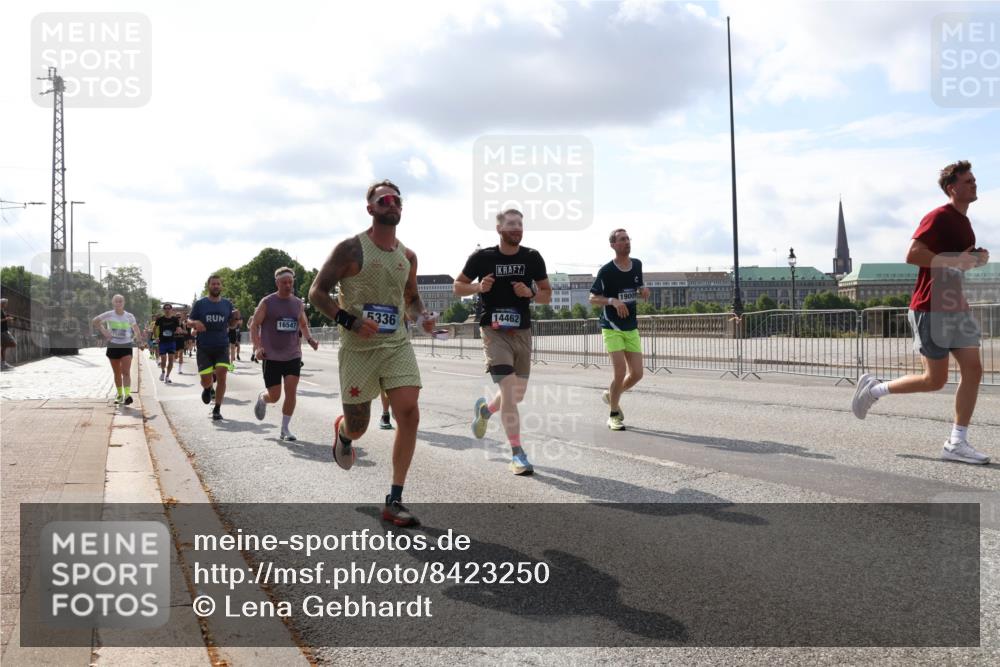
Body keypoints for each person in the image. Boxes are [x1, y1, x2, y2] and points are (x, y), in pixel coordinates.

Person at [309, 179, 437, 527]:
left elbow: (411, 299)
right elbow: (317, 292)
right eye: (384, 200)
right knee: (358, 427)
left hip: (396, 344)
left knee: (409, 413)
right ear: (370, 209)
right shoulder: (351, 249)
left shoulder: (407, 257)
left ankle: (394, 499)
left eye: (396, 200)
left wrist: (422, 317)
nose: (391, 204)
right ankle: (344, 433)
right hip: (358, 349)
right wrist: (349, 321)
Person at [853, 160, 991, 465]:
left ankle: (956, 442)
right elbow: (913, 254)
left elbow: (954, 264)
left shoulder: (965, 223)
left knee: (973, 370)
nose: (974, 184)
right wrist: (956, 260)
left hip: (955, 305)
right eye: (968, 181)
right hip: (931, 306)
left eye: (974, 180)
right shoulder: (939, 216)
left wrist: (974, 260)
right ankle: (875, 389)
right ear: (952, 188)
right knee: (934, 380)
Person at [454, 209, 552, 475]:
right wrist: (477, 287)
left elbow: (547, 295)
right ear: (499, 229)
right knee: (509, 391)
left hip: (522, 331)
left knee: (516, 395)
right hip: (493, 331)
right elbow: (457, 286)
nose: (517, 228)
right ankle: (518, 454)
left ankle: (486, 411)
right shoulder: (482, 257)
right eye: (511, 224)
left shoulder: (532, 257)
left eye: (520, 224)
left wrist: (530, 292)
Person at [589, 229, 651, 430]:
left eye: (628, 239)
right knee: (620, 372)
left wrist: (643, 290)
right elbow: (592, 298)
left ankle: (611, 395)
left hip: (631, 326)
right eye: (622, 239)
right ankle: (613, 415)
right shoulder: (606, 271)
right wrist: (612, 301)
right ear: (613, 245)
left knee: (637, 374)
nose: (627, 242)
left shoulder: (637, 265)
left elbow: (638, 286)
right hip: (611, 326)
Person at [251, 266, 319, 441]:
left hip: (292, 354)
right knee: (275, 396)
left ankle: (285, 429)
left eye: (290, 282)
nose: (288, 285)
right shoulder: (267, 302)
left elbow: (303, 324)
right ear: (277, 283)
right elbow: (254, 325)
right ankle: (263, 398)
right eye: (284, 283)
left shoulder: (297, 303)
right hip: (271, 355)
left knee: (291, 391)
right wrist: (257, 347)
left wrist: (310, 340)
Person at [187, 275, 241, 421]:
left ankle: (217, 409)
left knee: (222, 375)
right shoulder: (200, 303)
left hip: (221, 345)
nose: (216, 286)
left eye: (218, 284)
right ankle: (207, 388)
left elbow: (231, 325)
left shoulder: (227, 304)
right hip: (204, 346)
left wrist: (236, 318)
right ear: (208, 286)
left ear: (221, 286)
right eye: (213, 284)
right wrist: (196, 323)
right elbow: (188, 321)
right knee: (206, 380)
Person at [92, 294, 145, 406]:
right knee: (117, 373)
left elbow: (136, 329)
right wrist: (104, 331)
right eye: (116, 301)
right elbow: (95, 321)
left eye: (120, 301)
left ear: (124, 303)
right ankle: (120, 395)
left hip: (126, 345)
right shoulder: (109, 314)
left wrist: (140, 341)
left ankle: (127, 395)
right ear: (113, 303)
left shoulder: (129, 316)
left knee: (125, 372)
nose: (118, 303)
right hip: (113, 346)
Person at [154, 303, 181, 383]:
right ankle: (163, 371)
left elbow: (178, 328)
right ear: (163, 310)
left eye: (169, 308)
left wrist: (178, 330)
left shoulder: (175, 319)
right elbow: (154, 328)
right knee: (163, 360)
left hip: (171, 341)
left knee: (171, 360)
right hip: (162, 342)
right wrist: (156, 337)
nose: (167, 310)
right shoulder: (160, 319)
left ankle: (167, 376)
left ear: (171, 310)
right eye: (165, 308)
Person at [1, 298, 16, 370]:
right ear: (2, 303)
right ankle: (3, 363)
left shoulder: (3, 310)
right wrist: (6, 319)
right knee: (13, 343)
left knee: (4, 347)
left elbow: (6, 317)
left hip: (5, 330)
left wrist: (11, 318)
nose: (6, 305)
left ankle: (3, 363)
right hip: (2, 331)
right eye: (5, 303)